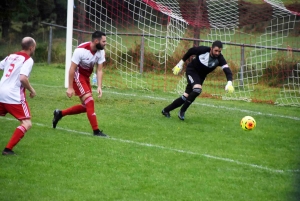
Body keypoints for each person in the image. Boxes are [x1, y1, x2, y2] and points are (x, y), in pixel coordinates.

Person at [52, 31, 108, 137]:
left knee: (86, 106)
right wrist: (70, 87)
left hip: (86, 78)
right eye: (104, 41)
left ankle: (60, 113)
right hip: (77, 76)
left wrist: (100, 86)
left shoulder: (101, 52)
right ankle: (96, 131)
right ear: (96, 41)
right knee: (90, 101)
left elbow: (99, 70)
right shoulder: (80, 50)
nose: (105, 43)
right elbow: (72, 69)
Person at [162, 40, 233, 120]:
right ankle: (182, 111)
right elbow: (190, 51)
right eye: (216, 50)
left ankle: (166, 110)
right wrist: (180, 64)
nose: (217, 53)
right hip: (192, 70)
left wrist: (229, 82)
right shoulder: (203, 50)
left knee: (186, 97)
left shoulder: (220, 58)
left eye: (219, 51)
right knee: (197, 89)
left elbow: (227, 71)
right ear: (211, 48)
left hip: (201, 77)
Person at [0, 37, 37, 155]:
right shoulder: (28, 60)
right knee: (27, 123)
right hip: (14, 96)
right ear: (31, 48)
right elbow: (23, 78)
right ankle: (8, 149)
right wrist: (31, 90)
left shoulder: (10, 56)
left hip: (1, 92)